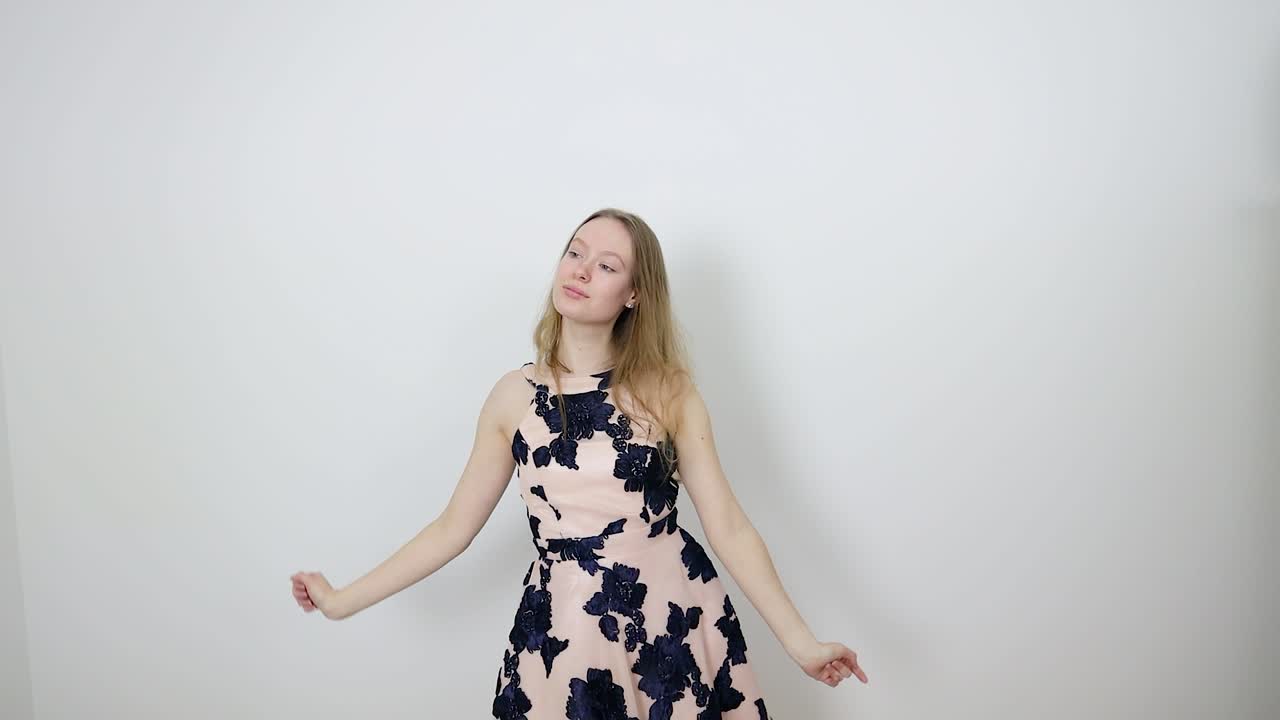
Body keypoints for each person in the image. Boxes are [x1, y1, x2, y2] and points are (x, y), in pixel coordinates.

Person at [291, 208, 869, 717]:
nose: (582, 270)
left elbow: (730, 528)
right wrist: (342, 601)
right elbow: (450, 531)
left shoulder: (670, 391)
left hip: (672, 621)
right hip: (566, 629)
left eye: (608, 265)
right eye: (575, 253)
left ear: (635, 294)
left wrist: (802, 643)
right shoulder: (514, 397)